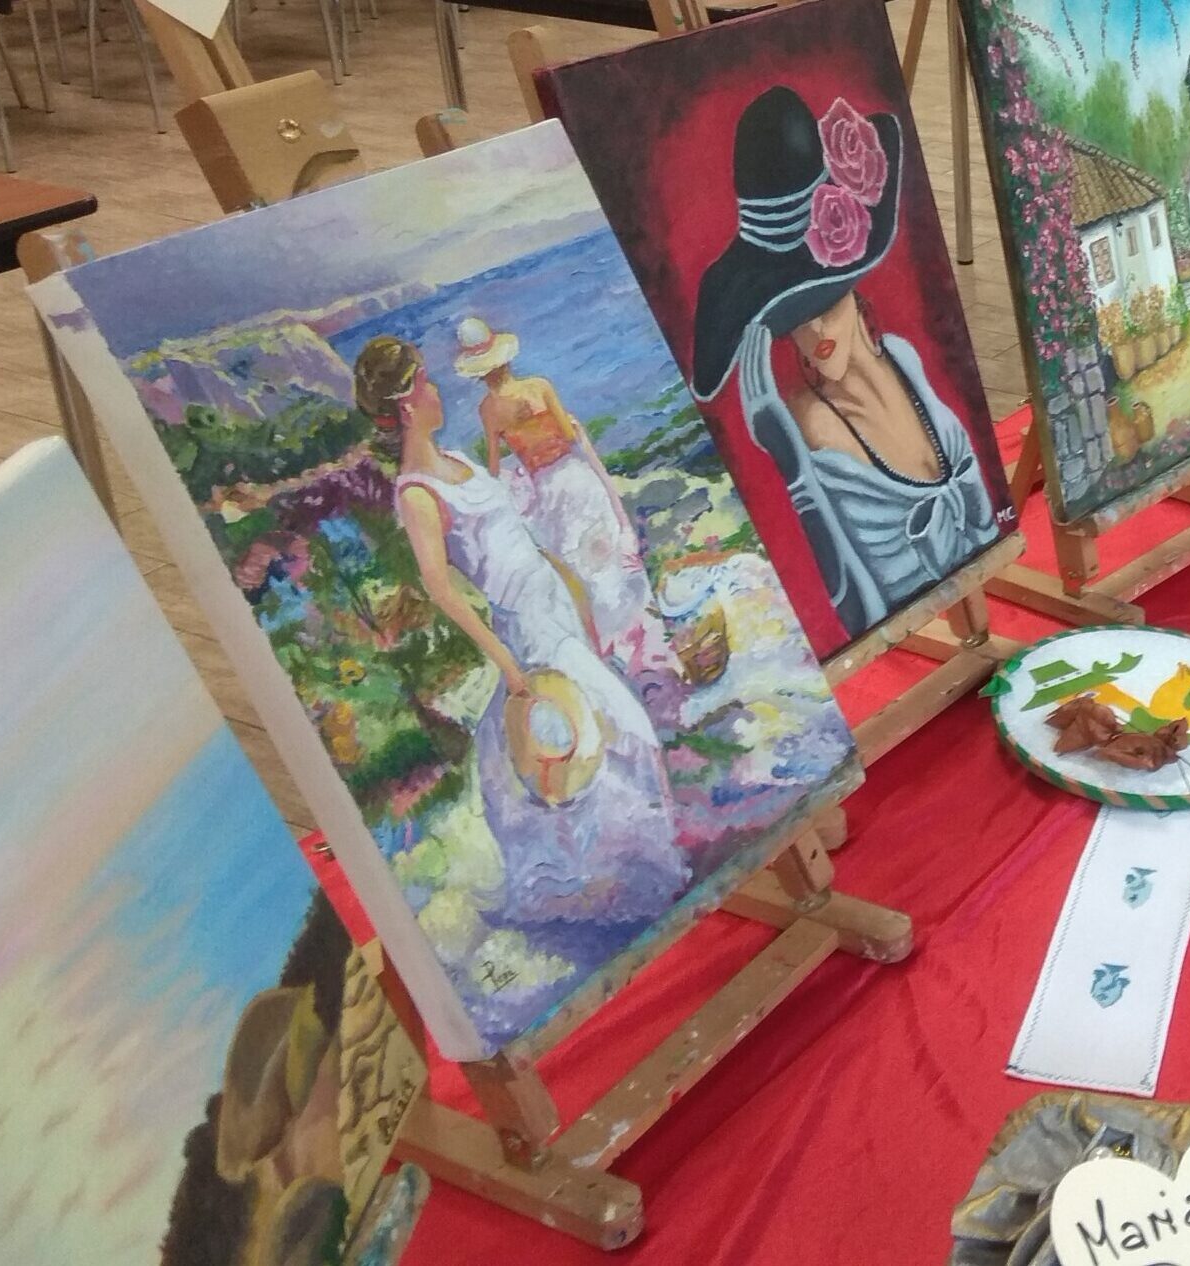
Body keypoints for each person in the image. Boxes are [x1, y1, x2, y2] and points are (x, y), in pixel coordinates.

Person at [352, 335, 687, 927]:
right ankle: (657, 869)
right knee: (627, 729)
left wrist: (576, 592)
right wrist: (507, 665)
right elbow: (442, 589)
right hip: (528, 629)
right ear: (406, 404)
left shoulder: (456, 459)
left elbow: (522, 536)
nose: (437, 391)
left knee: (600, 733)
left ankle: (633, 866)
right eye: (426, 383)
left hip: (554, 600)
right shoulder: (418, 493)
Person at [689, 86, 1001, 639]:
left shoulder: (903, 358)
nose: (813, 333)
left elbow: (984, 522)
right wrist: (791, 463)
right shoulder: (811, 425)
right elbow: (859, 615)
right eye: (793, 318)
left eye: (824, 303)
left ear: (855, 287)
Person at [452, 316, 678, 681]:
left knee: (581, 572)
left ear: (479, 374)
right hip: (577, 479)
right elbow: (571, 437)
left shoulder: (488, 411)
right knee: (613, 560)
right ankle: (652, 644)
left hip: (549, 492)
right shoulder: (539, 386)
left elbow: (493, 467)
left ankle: (618, 658)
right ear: (505, 359)